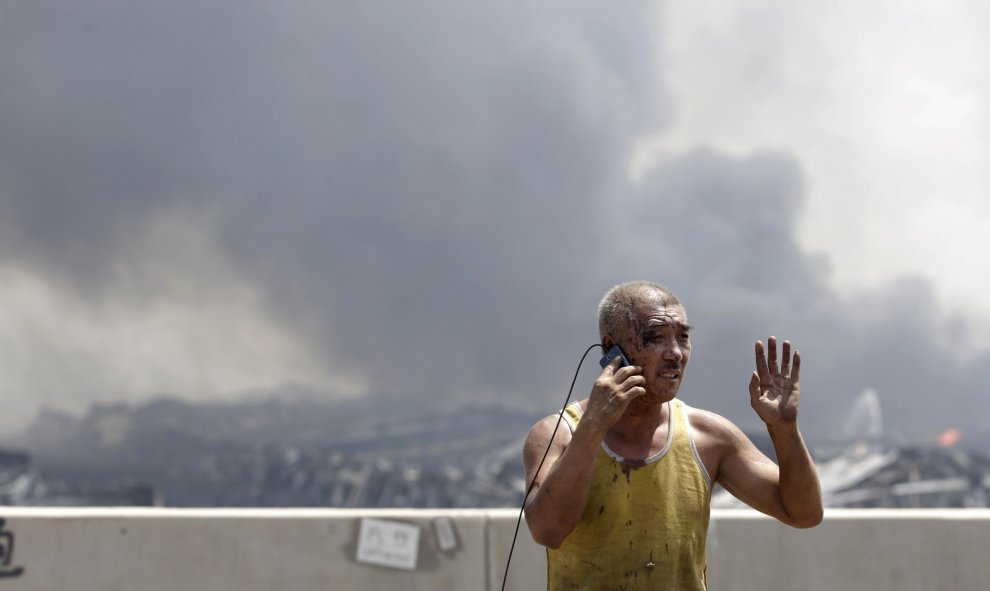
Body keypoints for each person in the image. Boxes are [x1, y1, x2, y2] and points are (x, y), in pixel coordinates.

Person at [522, 281, 822, 590]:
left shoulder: (708, 436)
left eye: (683, 337)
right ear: (611, 347)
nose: (675, 353)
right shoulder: (558, 433)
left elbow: (803, 512)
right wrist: (594, 426)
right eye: (655, 337)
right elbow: (547, 531)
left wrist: (784, 429)